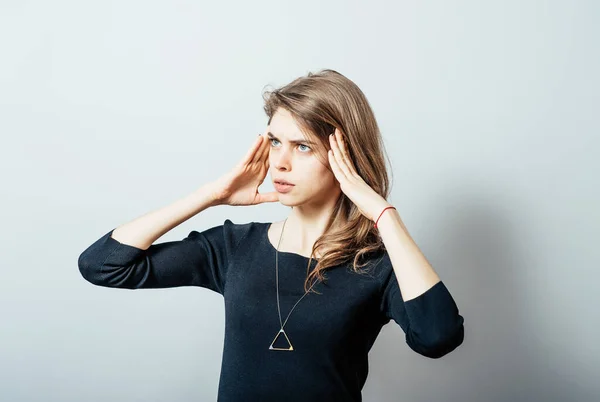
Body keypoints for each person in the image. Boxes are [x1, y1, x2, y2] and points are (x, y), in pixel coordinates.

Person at [78, 69, 465, 401]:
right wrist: (210, 196)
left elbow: (437, 337)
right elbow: (103, 266)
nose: (279, 161)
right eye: (276, 141)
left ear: (345, 158)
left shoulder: (375, 266)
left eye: (302, 146)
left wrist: (383, 213)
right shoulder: (234, 248)